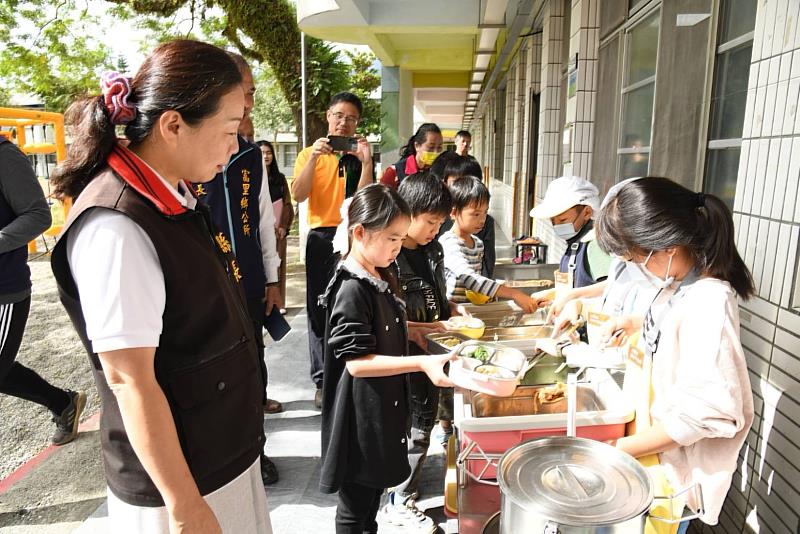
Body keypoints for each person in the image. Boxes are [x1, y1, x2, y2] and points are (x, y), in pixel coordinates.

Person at [49, 40, 272, 533]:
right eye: (230, 130)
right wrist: (184, 504)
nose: (236, 146)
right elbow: (130, 380)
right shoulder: (117, 225)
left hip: (218, 455)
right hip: (181, 482)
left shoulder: (173, 195)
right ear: (173, 125)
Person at [596, 177, 755, 531]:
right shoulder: (679, 285)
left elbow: (705, 413)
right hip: (649, 457)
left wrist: (618, 448)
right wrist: (635, 322)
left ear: (666, 247)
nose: (634, 267)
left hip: (669, 479)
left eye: (635, 257)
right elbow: (674, 324)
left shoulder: (709, 302)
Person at [318, 184, 455, 534]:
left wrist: (424, 330)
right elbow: (358, 362)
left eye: (400, 238)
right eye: (392, 238)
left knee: (369, 506)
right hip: (359, 416)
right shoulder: (351, 287)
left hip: (380, 408)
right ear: (360, 233)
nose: (398, 247)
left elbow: (386, 325)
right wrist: (421, 363)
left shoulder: (378, 273)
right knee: (356, 508)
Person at [193, 53, 283, 486]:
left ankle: (255, 454)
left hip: (246, 281)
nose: (248, 103)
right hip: (202, 285)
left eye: (250, 93)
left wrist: (272, 278)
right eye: (242, 92)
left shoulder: (249, 156)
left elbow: (263, 219)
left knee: (252, 366)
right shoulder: (185, 155)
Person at [0, 137, 86, 446]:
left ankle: (62, 402)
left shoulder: (5, 156)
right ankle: (62, 402)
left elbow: (38, 215)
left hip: (5, 291)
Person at [292, 92, 374, 408]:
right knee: (317, 308)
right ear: (328, 116)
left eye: (351, 118)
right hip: (321, 237)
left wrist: (366, 163)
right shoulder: (308, 154)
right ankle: (322, 379)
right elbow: (298, 195)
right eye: (339, 115)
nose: (344, 122)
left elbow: (366, 198)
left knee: (351, 303)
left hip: (356, 235)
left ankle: (349, 371)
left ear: (357, 123)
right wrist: (313, 157)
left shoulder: (357, 156)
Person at [382, 172, 453, 532]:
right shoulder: (390, 258)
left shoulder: (432, 250)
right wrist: (427, 331)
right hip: (407, 357)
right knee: (414, 429)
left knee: (424, 423)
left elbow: (436, 295)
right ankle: (398, 501)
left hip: (433, 350)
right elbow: (387, 323)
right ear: (407, 213)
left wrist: (454, 312)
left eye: (440, 223)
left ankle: (406, 487)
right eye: (429, 222)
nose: (434, 231)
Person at [530, 176, 611, 290]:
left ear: (587, 212)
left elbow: (610, 288)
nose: (557, 225)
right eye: (553, 221)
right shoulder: (575, 241)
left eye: (563, 220)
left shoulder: (595, 245)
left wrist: (572, 296)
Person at [436, 154, 496, 277]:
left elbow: (487, 262)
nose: (464, 190)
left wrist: (484, 291)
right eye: (456, 183)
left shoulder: (486, 223)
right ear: (445, 182)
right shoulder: (437, 218)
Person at [257, 140, 294, 311]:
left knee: (279, 266)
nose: (266, 156)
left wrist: (284, 226)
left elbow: (287, 203)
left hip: (279, 229)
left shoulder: (279, 179)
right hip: (261, 230)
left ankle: (280, 303)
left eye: (269, 152)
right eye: (262, 152)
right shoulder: (252, 176)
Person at [380, 123, 442, 188]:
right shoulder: (395, 172)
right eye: (431, 147)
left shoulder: (440, 172)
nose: (436, 152)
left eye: (439, 147)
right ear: (417, 146)